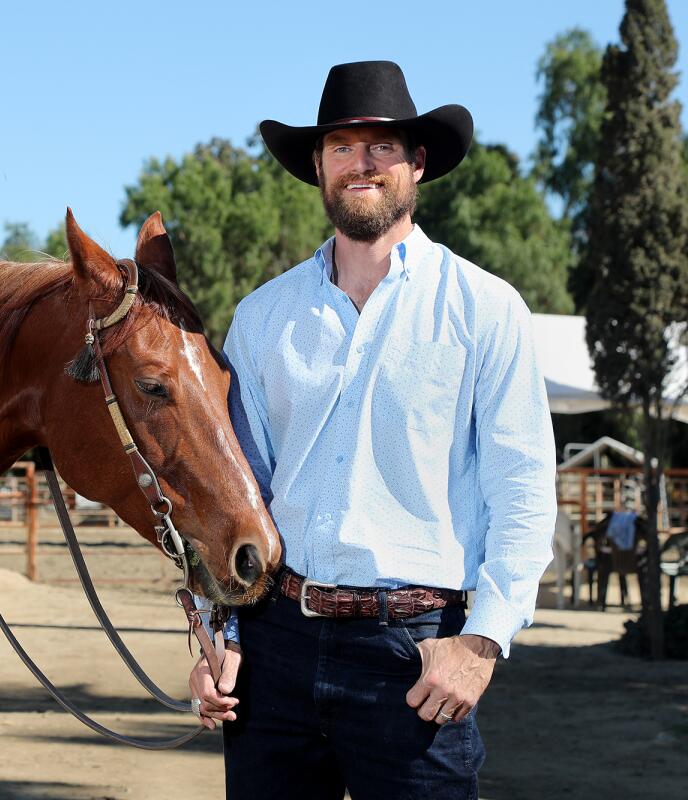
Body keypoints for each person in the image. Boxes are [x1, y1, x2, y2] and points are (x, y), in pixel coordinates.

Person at [187, 60, 556, 799]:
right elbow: (235, 495)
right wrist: (216, 636)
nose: (362, 163)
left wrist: (482, 642)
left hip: (417, 653)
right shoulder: (264, 317)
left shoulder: (486, 309)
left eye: (382, 147)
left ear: (417, 164)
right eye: (342, 147)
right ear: (319, 168)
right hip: (276, 649)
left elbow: (522, 489)